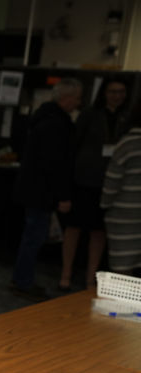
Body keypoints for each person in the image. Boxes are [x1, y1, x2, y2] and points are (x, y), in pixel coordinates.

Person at [11, 77, 82, 301]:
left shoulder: (45, 117)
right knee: (34, 236)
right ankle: (22, 281)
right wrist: (62, 195)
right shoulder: (55, 124)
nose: (78, 103)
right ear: (66, 98)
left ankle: (22, 279)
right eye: (77, 98)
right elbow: (55, 165)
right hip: (40, 191)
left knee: (32, 235)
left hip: (35, 188)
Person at [59, 79, 129, 290]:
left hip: (109, 183)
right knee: (74, 228)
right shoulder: (90, 115)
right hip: (84, 180)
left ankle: (91, 278)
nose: (116, 96)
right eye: (112, 91)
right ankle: (66, 274)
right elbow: (74, 147)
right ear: (104, 93)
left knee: (99, 231)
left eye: (121, 92)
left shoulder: (127, 119)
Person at [101, 105, 141, 276]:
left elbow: (113, 179)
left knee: (122, 266)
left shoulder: (127, 144)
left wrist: (105, 204)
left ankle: (122, 301)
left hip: (123, 211)